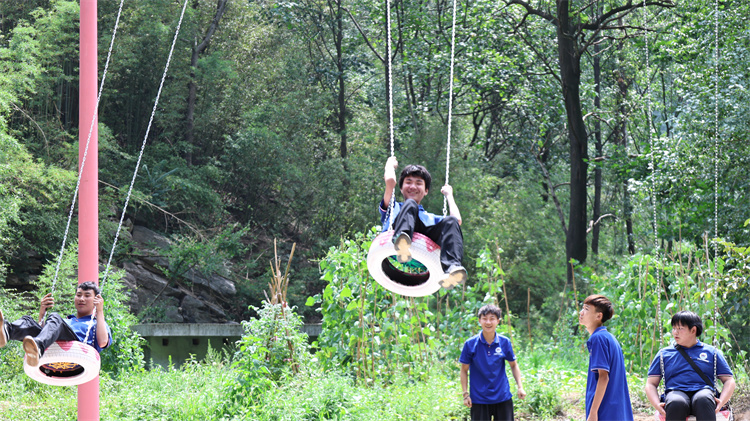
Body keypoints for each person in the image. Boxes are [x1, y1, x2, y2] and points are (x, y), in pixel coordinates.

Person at [380, 156, 466, 288]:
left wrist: (449, 195)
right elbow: (390, 182)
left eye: (419, 183)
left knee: (450, 221)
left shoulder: (429, 217)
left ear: (426, 191)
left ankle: (452, 268)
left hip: (424, 238)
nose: (413, 186)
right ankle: (401, 241)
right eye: (408, 182)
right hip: (397, 231)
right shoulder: (393, 207)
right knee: (410, 204)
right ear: (401, 188)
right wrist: (389, 166)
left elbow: (456, 221)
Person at [645, 311, 736, 421]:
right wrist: (656, 404)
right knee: (676, 402)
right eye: (674, 328)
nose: (675, 332)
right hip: (676, 392)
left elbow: (729, 380)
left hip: (703, 391)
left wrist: (722, 401)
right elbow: (651, 383)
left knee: (704, 399)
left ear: (693, 330)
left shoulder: (712, 352)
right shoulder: (664, 354)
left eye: (680, 328)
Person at [0, 281, 112, 367]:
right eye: (78, 295)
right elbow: (44, 333)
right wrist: (42, 312)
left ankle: (38, 348)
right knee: (27, 321)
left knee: (55, 318)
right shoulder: (67, 321)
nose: (81, 299)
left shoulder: (97, 323)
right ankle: (6, 331)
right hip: (53, 344)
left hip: (76, 349)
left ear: (96, 300)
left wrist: (99, 311)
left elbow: (103, 342)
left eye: (87, 296)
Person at [460, 304, 526, 421]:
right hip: (479, 399)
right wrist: (465, 394)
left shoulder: (504, 342)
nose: (488, 322)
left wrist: (520, 387)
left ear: (498, 321)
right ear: (479, 321)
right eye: (484, 319)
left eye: (492, 319)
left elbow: (514, 365)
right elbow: (464, 370)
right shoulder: (470, 344)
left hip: (502, 397)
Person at [578, 294, 634, 421]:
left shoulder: (598, 338)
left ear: (599, 316)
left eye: (586, 309)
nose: (581, 312)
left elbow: (603, 377)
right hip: (617, 411)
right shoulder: (609, 337)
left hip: (605, 411)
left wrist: (593, 412)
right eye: (583, 308)